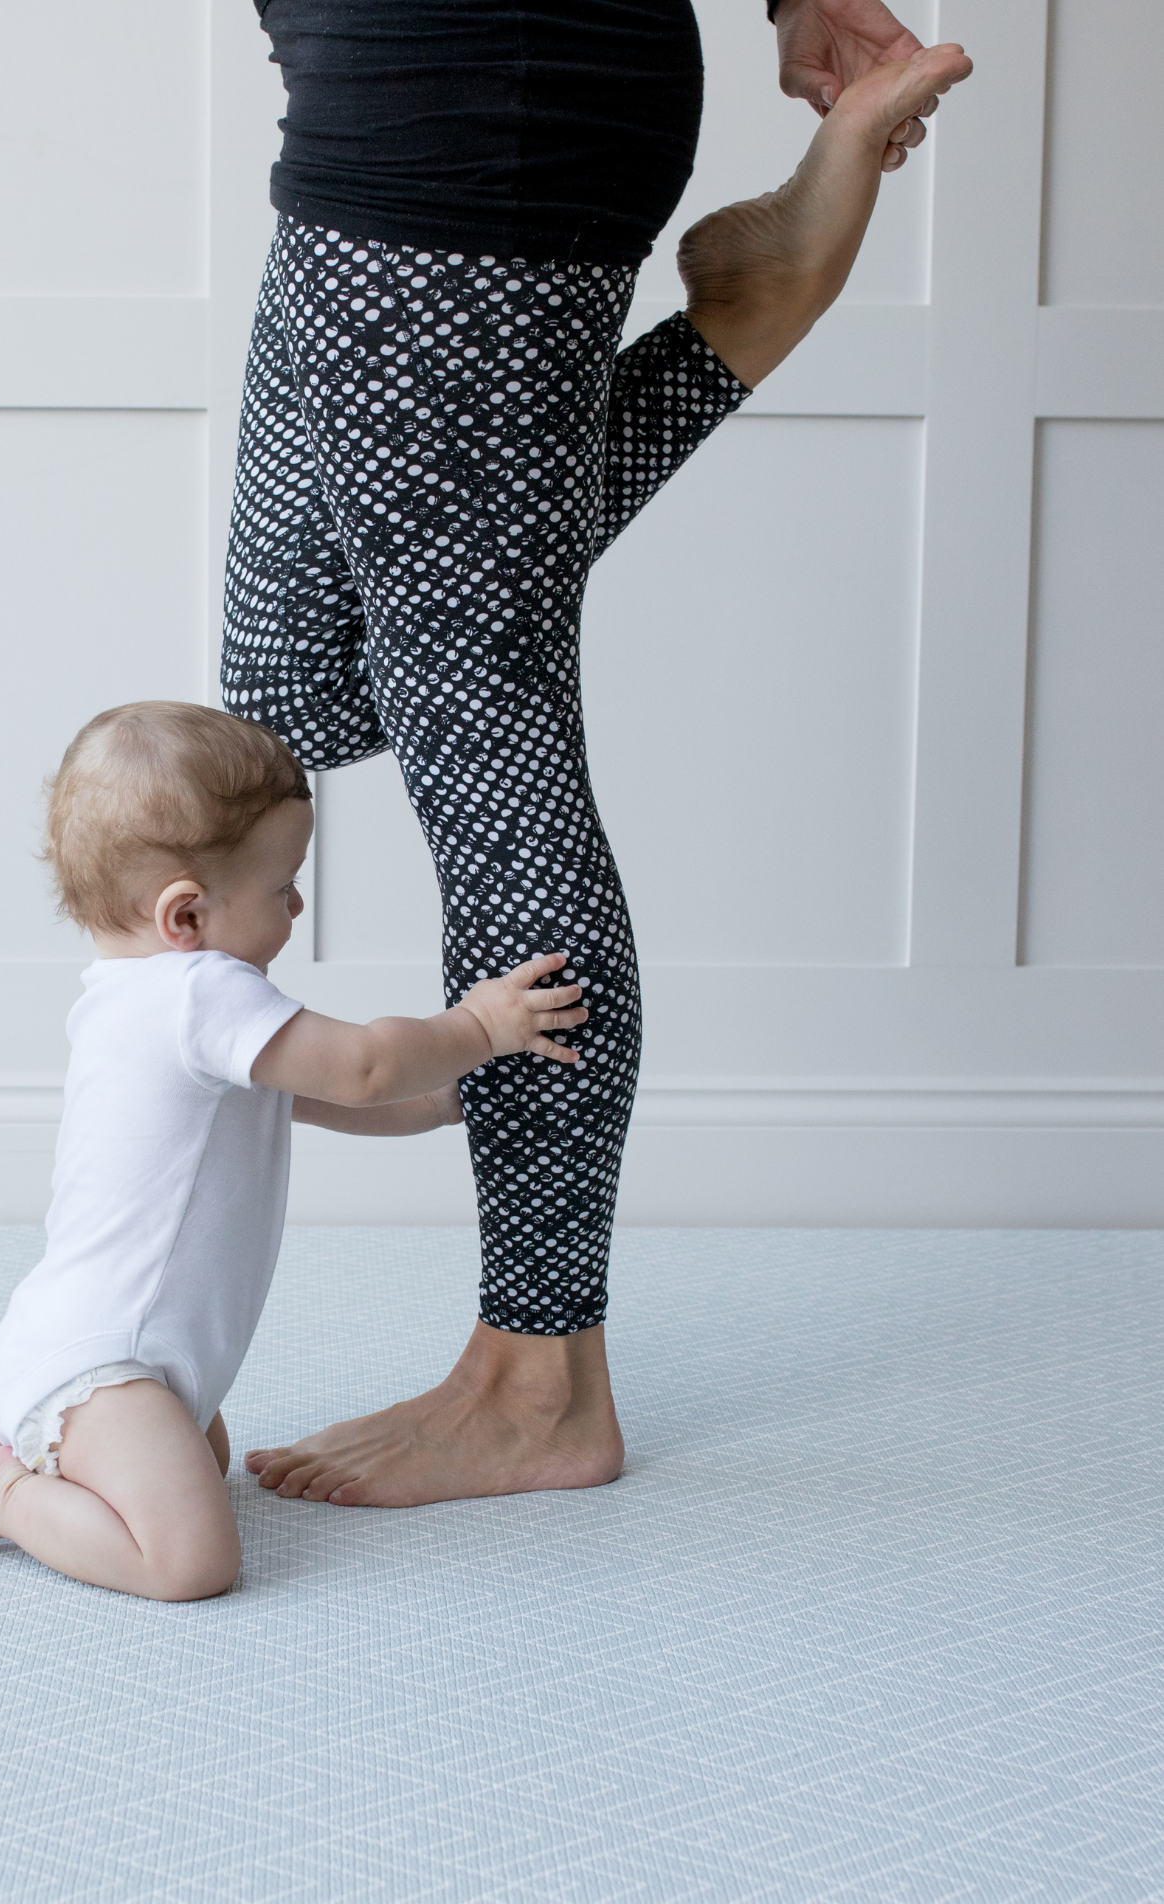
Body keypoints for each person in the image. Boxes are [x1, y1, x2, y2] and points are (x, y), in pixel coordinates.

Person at [222, 2, 973, 1508]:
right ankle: (747, 316)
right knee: (288, 694)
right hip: (372, 91)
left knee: (480, 710)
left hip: (467, 98)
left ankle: (540, 1376)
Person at [0, 703, 589, 1599]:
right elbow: (367, 1067)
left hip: (92, 1352)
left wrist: (450, 1106)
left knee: (201, 1460)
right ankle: (10, 1496)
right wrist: (481, 1026)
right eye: (284, 884)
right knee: (191, 1563)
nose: (298, 904)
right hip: (106, 1369)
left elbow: (335, 1100)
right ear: (186, 914)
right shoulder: (198, 994)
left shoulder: (133, 1002)